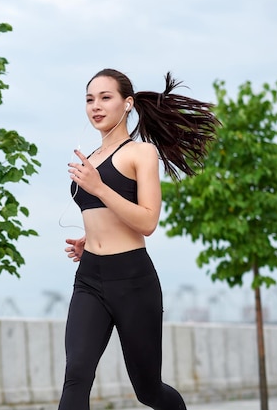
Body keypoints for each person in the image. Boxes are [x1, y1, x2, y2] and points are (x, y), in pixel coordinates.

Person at [59, 68, 219, 410]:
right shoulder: (92, 157)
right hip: (89, 278)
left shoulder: (141, 153)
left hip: (132, 280)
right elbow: (105, 214)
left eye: (106, 98)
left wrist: (98, 187)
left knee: (148, 391)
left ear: (127, 103)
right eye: (90, 99)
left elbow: (147, 220)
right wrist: (90, 239)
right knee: (76, 375)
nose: (96, 106)